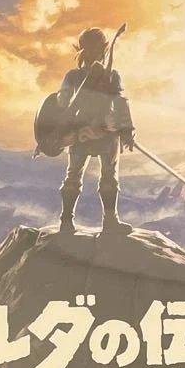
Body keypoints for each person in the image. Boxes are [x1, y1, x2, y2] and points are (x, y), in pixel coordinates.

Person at [56, 27, 135, 236]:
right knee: (76, 176)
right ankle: (67, 221)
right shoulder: (74, 76)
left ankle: (107, 221)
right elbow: (62, 103)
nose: (94, 52)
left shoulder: (110, 75)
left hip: (104, 131)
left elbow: (119, 102)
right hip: (81, 132)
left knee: (106, 176)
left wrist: (126, 130)